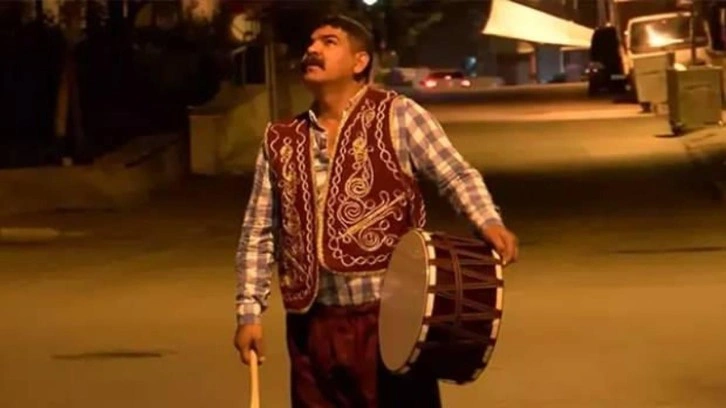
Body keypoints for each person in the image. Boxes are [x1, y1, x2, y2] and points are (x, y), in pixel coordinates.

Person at [233, 13, 519, 408]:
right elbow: (258, 232)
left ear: (360, 61)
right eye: (311, 43)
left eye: (329, 42)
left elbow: (455, 174)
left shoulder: (398, 115)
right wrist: (249, 313)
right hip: (311, 325)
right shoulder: (281, 139)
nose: (312, 50)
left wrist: (486, 220)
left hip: (390, 320)